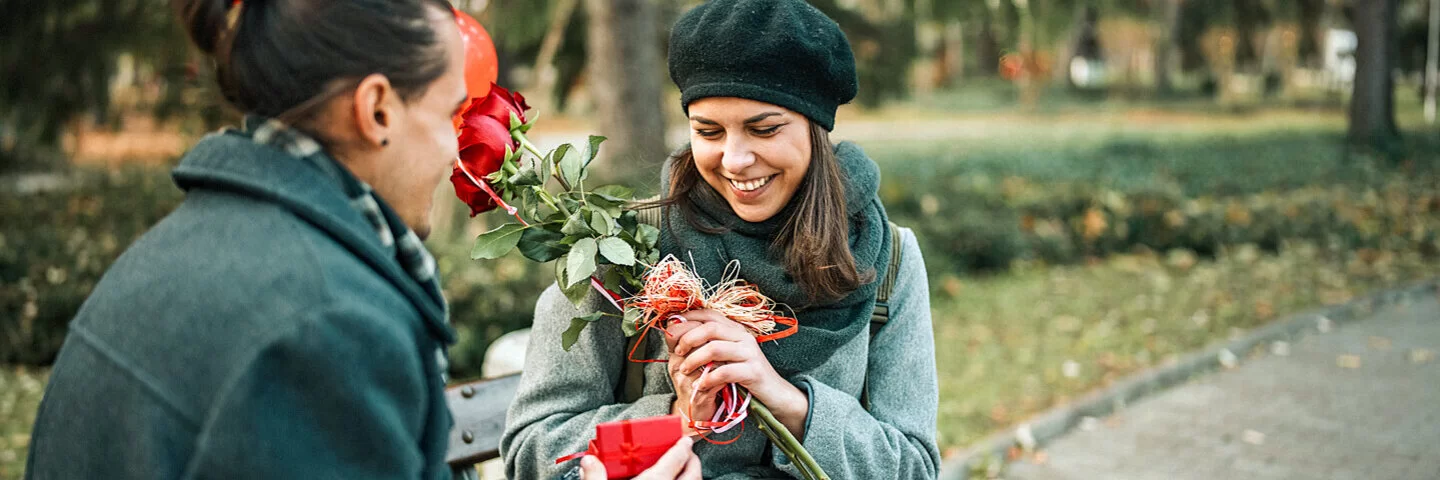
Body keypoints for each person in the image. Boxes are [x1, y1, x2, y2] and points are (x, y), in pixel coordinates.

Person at [501, 0, 941, 478]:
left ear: (816, 129)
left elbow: (914, 466)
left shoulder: (889, 258)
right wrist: (675, 419)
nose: (734, 159)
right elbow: (532, 451)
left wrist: (788, 401)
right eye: (708, 131)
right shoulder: (618, 248)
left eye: (764, 129)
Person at [28, 0, 467, 477]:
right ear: (377, 109)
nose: (454, 149)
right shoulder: (330, 325)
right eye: (448, 114)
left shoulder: (181, 245)